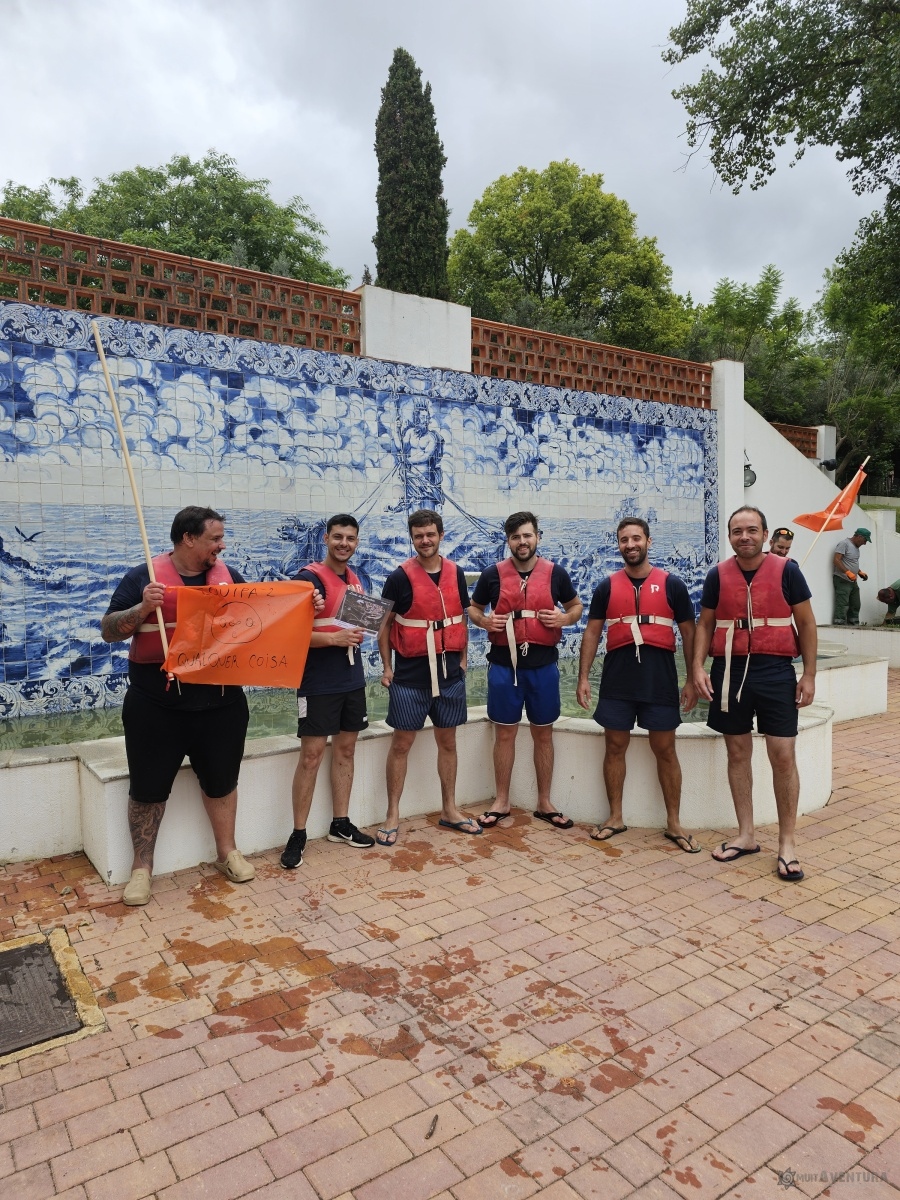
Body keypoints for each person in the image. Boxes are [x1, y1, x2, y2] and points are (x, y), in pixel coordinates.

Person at [102, 507, 256, 905]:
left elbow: (261, 621)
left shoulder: (230, 577)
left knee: (223, 782)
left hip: (221, 704)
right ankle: (141, 869)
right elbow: (108, 631)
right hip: (156, 706)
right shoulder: (144, 577)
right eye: (215, 538)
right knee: (147, 790)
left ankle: (227, 853)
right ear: (188, 538)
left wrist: (308, 604)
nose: (222, 546)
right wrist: (141, 609)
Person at [693, 506, 817, 882]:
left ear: (764, 535)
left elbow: (806, 622)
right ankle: (746, 835)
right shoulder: (717, 575)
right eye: (737, 531)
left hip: (775, 671)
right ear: (730, 536)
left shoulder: (788, 571)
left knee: (783, 755)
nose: (744, 536)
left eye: (751, 530)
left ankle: (787, 844)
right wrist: (697, 667)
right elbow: (706, 624)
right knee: (737, 752)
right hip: (729, 670)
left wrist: (810, 674)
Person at [576, 517, 701, 852]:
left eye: (635, 538)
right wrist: (583, 677)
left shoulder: (672, 585)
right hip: (618, 678)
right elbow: (592, 632)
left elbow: (689, 633)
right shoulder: (606, 587)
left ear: (648, 541)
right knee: (615, 746)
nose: (630, 545)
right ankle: (615, 816)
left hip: (659, 678)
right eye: (623, 540)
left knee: (665, 749)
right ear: (618, 545)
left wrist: (692, 678)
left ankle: (674, 822)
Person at [469, 511, 582, 830]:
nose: (522, 541)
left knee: (543, 734)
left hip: (543, 667)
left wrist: (564, 618)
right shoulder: (492, 575)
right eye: (516, 536)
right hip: (504, 666)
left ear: (537, 537)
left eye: (527, 535)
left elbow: (576, 607)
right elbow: (473, 609)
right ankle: (502, 801)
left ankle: (545, 802)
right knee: (504, 733)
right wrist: (484, 621)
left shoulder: (556, 574)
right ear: (508, 541)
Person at [378, 509, 481, 844]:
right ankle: (392, 814)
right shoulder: (398, 578)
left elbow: (460, 618)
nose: (425, 540)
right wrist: (388, 668)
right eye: (418, 535)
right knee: (401, 744)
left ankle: (450, 809)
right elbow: (384, 627)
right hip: (410, 678)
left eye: (430, 534)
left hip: (450, 676)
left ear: (440, 535)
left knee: (448, 742)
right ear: (412, 538)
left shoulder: (455, 572)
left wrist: (463, 661)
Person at [280, 514, 375, 870]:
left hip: (352, 679)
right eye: (338, 537)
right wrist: (334, 639)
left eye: (350, 538)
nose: (344, 544)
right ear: (326, 538)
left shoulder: (355, 580)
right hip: (318, 682)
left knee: (346, 750)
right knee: (311, 755)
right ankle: (298, 833)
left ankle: (340, 823)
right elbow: (289, 634)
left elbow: (358, 627)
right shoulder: (308, 580)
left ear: (356, 542)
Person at [832, 527, 871, 625]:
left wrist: (860, 572)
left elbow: (852, 562)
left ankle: (853, 624)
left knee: (855, 603)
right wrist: (848, 572)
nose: (865, 543)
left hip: (852, 580)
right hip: (842, 579)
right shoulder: (844, 544)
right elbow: (836, 560)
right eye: (865, 540)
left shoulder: (856, 548)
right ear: (859, 536)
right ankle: (839, 624)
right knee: (842, 603)